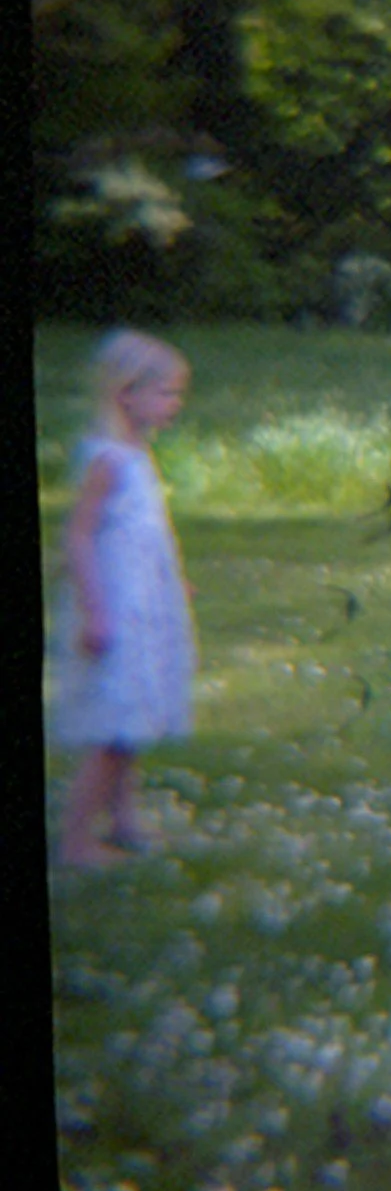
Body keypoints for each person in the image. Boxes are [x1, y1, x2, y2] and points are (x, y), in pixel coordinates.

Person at [51, 331, 196, 868]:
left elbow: (143, 534)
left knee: (132, 723)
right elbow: (79, 536)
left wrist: (169, 581)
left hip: (143, 611)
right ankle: (76, 842)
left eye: (176, 393)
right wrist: (95, 612)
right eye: (165, 392)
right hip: (114, 614)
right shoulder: (108, 460)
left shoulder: (139, 454)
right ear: (125, 394)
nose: (174, 404)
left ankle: (124, 820)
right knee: (112, 731)